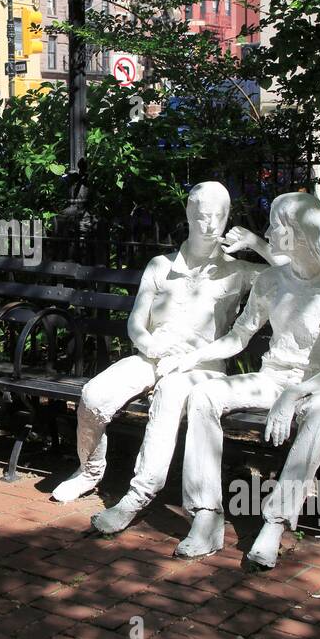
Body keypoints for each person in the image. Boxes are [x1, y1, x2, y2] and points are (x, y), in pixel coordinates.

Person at [158, 192, 320, 568]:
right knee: (203, 394)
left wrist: (293, 396)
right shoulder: (272, 281)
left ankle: (275, 522)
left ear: (296, 236)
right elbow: (239, 336)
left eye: (275, 227)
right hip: (272, 379)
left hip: (319, 387)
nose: (267, 232)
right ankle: (205, 515)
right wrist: (194, 356)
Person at [53, 183, 273, 531]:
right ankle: (90, 470)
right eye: (202, 215)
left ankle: (137, 495)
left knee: (169, 400)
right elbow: (136, 324)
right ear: (188, 214)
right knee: (94, 396)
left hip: (201, 367)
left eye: (220, 216)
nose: (211, 224)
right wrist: (152, 347)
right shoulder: (160, 266)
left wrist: (257, 244)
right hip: (153, 357)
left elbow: (294, 278)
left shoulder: (239, 271)